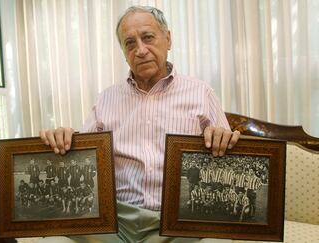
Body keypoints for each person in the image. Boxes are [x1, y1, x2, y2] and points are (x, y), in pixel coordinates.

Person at [39, 6, 240, 242]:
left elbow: (229, 166)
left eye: (148, 37)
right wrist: (64, 140)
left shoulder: (201, 93)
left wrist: (221, 138)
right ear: (124, 52)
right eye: (130, 43)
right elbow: (84, 161)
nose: (141, 50)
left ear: (168, 39)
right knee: (51, 223)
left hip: (179, 220)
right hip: (115, 220)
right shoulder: (106, 98)